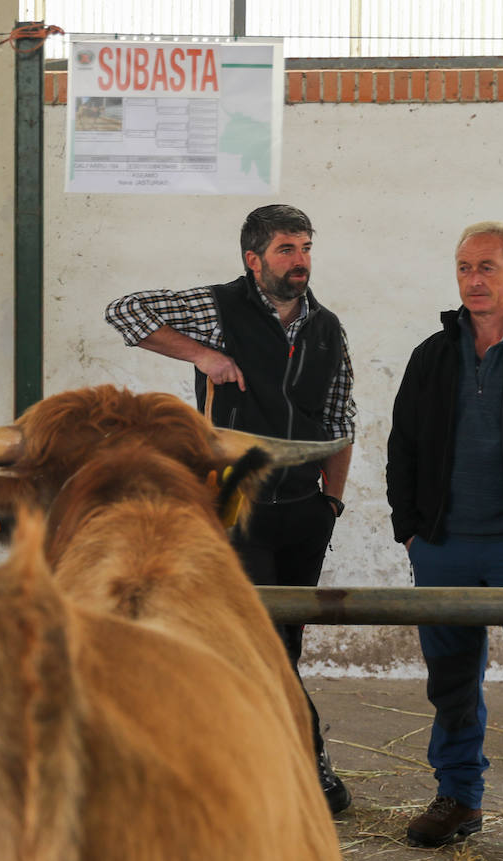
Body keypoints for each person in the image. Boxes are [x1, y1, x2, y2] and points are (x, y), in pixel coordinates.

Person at [105, 204, 357, 815]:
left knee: (285, 639)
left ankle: (265, 758)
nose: (300, 262)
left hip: (305, 508)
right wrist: (200, 356)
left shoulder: (326, 326)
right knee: (255, 639)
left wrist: (332, 500)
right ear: (254, 259)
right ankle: (306, 759)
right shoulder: (220, 309)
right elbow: (125, 312)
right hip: (236, 508)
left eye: (304, 248)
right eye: (286, 251)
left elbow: (341, 418)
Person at [386, 221, 503, 861]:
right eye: (463, 267)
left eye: (486, 266)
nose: (473, 280)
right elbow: (402, 443)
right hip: (444, 548)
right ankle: (458, 799)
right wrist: (410, 527)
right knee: (451, 683)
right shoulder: (432, 355)